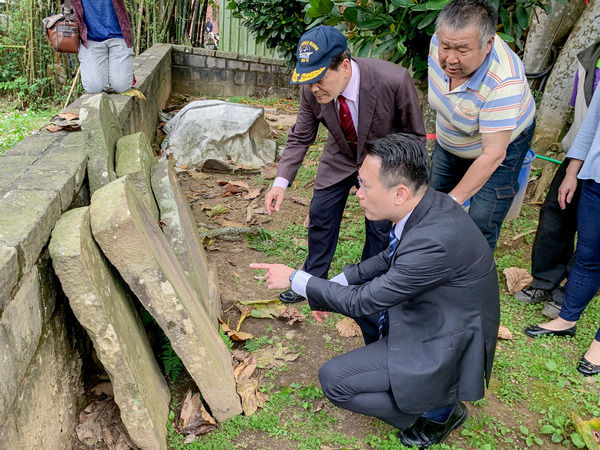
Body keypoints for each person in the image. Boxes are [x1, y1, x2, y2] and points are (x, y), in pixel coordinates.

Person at [252, 133, 500, 446]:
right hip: (430, 311)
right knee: (367, 309)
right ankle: (404, 377)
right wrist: (329, 286)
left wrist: (297, 280)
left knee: (336, 381)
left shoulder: (433, 241)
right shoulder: (427, 204)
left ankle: (436, 412)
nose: (358, 193)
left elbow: (361, 301)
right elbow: (390, 256)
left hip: (445, 337)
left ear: (400, 193)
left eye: (366, 186)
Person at [264, 26, 426, 308]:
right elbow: (301, 135)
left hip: (382, 164)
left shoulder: (393, 80)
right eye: (308, 79)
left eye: (320, 78)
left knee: (378, 227)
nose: (314, 88)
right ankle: (311, 281)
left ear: (345, 66)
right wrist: (280, 182)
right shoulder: (311, 91)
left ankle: (367, 287)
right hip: (339, 157)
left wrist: (395, 177)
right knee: (321, 214)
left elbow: (414, 136)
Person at [428, 0, 536, 250]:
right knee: (432, 201)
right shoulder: (438, 43)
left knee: (481, 219)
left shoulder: (503, 81)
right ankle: (431, 261)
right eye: (446, 47)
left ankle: (471, 279)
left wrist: (454, 200)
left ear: (488, 44)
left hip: (500, 144)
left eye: (462, 51)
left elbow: (493, 154)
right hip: (452, 136)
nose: (450, 59)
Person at [515, 42, 600, 318]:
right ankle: (544, 280)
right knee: (556, 213)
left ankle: (567, 293)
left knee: (591, 233)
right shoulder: (588, 57)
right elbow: (581, 114)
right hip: (579, 151)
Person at [524, 87, 600, 377]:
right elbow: (591, 124)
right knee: (587, 256)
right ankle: (566, 320)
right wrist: (571, 172)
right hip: (595, 178)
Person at [71, 0, 134, 94]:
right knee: (93, 88)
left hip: (119, 36)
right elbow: (67, 10)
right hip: (90, 39)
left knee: (121, 87)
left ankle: (122, 71)